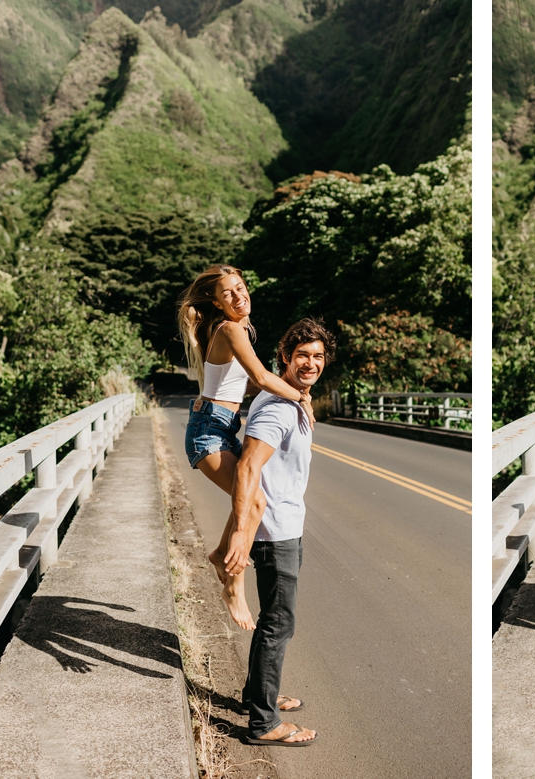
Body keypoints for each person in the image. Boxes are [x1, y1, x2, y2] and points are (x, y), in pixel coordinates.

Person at [176, 265, 314, 631]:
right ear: (217, 303)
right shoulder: (231, 328)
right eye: (229, 294)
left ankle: (221, 555)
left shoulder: (237, 329)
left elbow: (244, 386)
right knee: (255, 501)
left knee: (252, 495)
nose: (239, 297)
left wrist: (293, 394)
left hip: (219, 426)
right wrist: (302, 397)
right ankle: (232, 586)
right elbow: (261, 378)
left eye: (241, 288)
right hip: (208, 432)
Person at [215, 318, 332, 748]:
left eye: (318, 356)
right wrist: (240, 533)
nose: (311, 363)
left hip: (283, 526)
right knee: (278, 625)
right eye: (302, 354)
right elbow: (247, 467)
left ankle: (254, 696)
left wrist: (304, 398)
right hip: (274, 533)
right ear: (284, 356)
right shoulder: (280, 407)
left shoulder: (290, 399)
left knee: (273, 621)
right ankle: (263, 723)